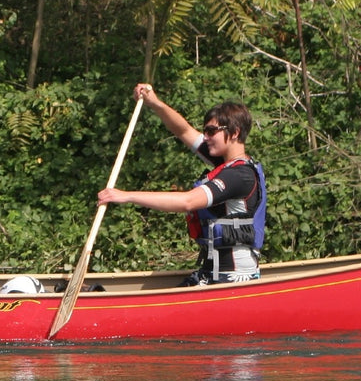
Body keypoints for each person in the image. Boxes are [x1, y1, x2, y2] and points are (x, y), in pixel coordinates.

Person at [96, 83, 266, 286]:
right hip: (211, 272)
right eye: (205, 131)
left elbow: (188, 201)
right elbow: (183, 130)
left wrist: (126, 196)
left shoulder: (239, 176)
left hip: (233, 278)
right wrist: (155, 103)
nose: (206, 137)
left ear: (235, 132)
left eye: (212, 131)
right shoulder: (225, 164)